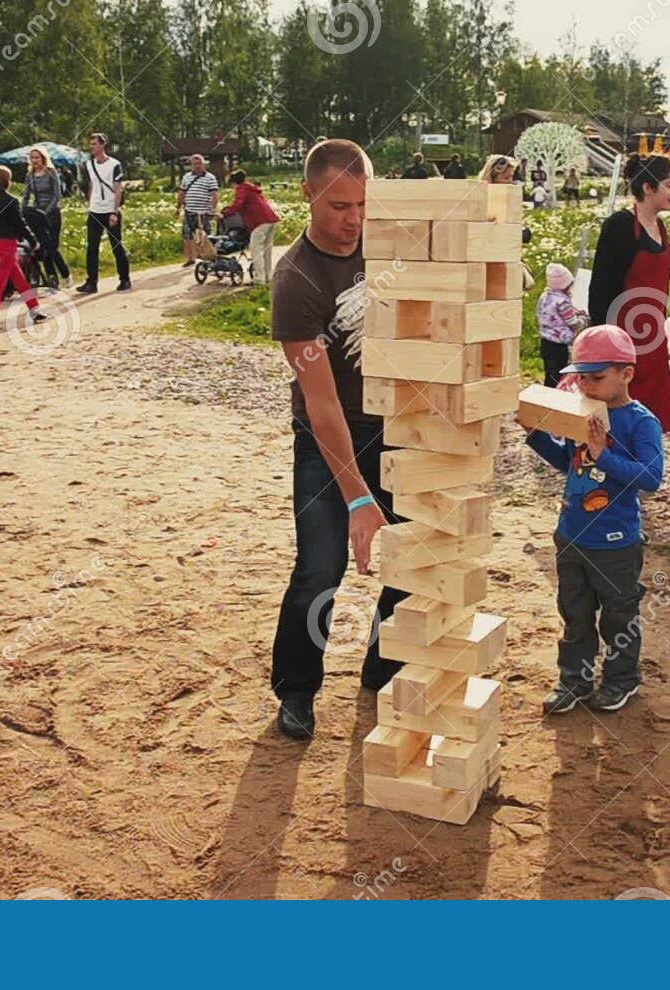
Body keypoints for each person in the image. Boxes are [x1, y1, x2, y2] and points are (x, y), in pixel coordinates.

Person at [267, 139, 400, 740]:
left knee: (411, 556)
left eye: (364, 205)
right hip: (328, 436)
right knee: (321, 568)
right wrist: (357, 498)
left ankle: (384, 662)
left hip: (398, 427)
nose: (354, 220)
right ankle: (296, 690)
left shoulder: (388, 240)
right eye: (339, 205)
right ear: (308, 194)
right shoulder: (296, 280)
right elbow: (321, 405)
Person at [523, 324, 664, 713]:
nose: (586, 386)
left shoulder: (641, 422)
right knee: (575, 614)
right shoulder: (581, 413)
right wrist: (536, 435)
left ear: (627, 374)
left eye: (597, 378)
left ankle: (621, 679)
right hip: (571, 535)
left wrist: (603, 452)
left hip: (616, 542)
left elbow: (651, 478)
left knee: (618, 617)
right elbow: (569, 466)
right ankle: (574, 682)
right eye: (581, 378)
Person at [587, 152, 670, 431]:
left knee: (654, 410)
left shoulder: (661, 228)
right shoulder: (620, 226)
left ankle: (646, 467)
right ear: (649, 188)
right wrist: (601, 343)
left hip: (653, 337)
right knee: (618, 414)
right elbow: (600, 286)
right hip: (622, 337)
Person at [0, 165, 47, 334]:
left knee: (19, 278)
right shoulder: (11, 201)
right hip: (7, 243)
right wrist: (33, 241)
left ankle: (35, 309)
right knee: (1, 282)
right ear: (7, 181)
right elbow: (20, 224)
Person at [75, 132, 131, 294]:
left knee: (116, 245)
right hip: (95, 210)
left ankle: (124, 278)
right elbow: (93, 185)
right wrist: (90, 204)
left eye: (94, 144)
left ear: (102, 145)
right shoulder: (89, 164)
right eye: (90, 144)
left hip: (110, 210)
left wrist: (114, 211)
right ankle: (91, 282)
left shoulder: (114, 164)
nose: (92, 147)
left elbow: (117, 188)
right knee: (92, 247)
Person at [22, 146, 70, 289]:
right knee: (43, 247)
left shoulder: (51, 172)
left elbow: (57, 195)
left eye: (37, 157)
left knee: (53, 247)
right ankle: (52, 278)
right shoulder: (30, 175)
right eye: (32, 158)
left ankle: (66, 274)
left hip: (52, 213)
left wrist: (46, 211)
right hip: (38, 213)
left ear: (43, 158)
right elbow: (26, 195)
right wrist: (22, 210)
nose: (34, 160)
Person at [223, 169, 280, 286]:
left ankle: (259, 280)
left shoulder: (241, 188)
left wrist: (224, 213)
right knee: (266, 251)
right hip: (271, 219)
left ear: (234, 182)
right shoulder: (252, 188)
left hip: (260, 221)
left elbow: (238, 204)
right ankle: (267, 277)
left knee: (256, 250)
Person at [537, 262, 588, 386]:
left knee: (550, 372)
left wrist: (574, 311)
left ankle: (546, 394)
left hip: (546, 341)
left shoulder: (545, 297)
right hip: (560, 344)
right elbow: (573, 323)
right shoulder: (563, 302)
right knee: (559, 372)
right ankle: (555, 395)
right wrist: (583, 320)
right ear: (565, 285)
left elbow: (544, 313)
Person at [175, 154, 220, 267]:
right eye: (195, 164)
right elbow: (182, 193)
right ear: (191, 165)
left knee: (207, 235)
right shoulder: (186, 177)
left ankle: (211, 256)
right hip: (189, 210)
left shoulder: (210, 177)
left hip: (204, 212)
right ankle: (191, 258)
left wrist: (212, 209)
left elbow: (214, 195)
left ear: (204, 164)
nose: (198, 166)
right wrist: (178, 208)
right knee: (187, 235)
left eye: (200, 163)